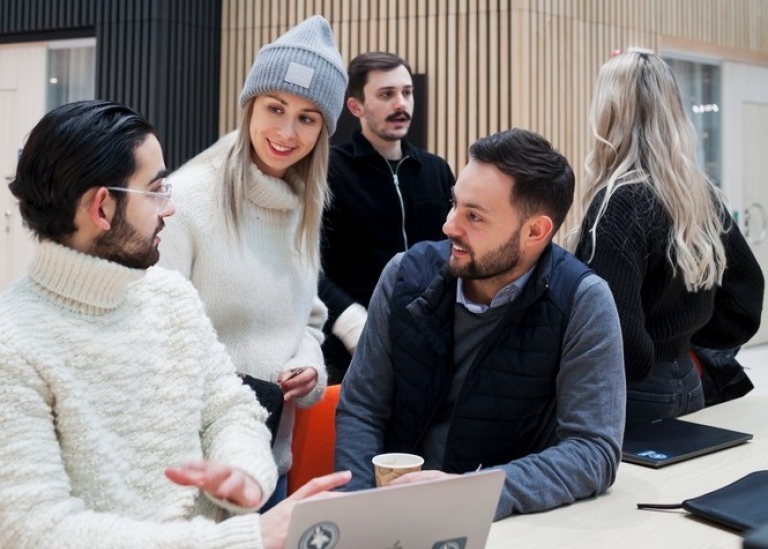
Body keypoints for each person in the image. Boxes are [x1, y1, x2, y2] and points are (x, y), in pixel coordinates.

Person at [0, 99, 351, 548]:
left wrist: (244, 472)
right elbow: (36, 531)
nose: (170, 208)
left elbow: (232, 409)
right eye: (157, 189)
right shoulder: (14, 343)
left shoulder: (170, 297)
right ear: (102, 208)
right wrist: (246, 538)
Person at [335, 128, 627, 520]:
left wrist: (469, 494)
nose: (449, 226)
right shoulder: (404, 276)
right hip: (396, 517)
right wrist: (359, 511)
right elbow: (362, 407)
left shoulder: (582, 301)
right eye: (455, 204)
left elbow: (593, 450)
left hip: (509, 524)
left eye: (474, 216)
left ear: (535, 232)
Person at [158, 15, 348, 508]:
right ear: (249, 107)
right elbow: (157, 332)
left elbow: (309, 319)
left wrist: (308, 367)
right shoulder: (187, 201)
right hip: (191, 469)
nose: (287, 131)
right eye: (275, 108)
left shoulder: (303, 208)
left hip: (269, 463)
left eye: (307, 118)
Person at [569, 49, 764, 421]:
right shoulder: (700, 194)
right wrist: (684, 338)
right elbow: (746, 295)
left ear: (609, 111)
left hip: (637, 391)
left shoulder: (620, 203)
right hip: (687, 379)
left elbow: (614, 333)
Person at [319, 52, 455, 383]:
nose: (401, 104)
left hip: (429, 349)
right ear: (356, 107)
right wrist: (351, 323)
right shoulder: (327, 171)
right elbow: (307, 267)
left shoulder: (436, 170)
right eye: (386, 94)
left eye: (406, 92)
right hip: (350, 356)